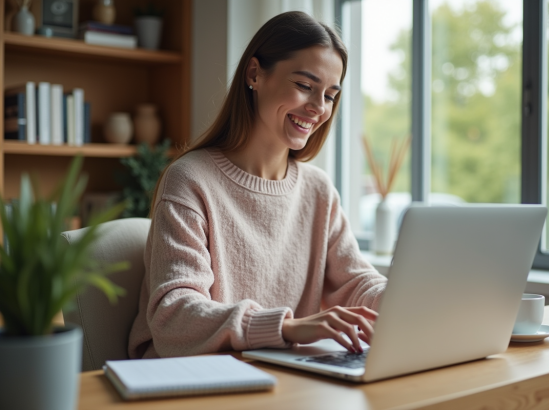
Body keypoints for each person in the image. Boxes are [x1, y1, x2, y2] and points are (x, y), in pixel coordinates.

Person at [128, 11, 387, 360]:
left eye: (329, 95)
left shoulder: (318, 190)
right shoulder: (190, 180)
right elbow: (174, 315)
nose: (318, 108)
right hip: (192, 378)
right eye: (305, 86)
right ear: (255, 74)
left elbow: (355, 282)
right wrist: (284, 327)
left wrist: (407, 299)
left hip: (282, 376)